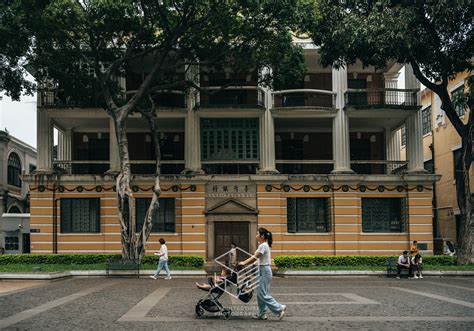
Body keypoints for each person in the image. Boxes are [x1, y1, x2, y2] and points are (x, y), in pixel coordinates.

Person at [239, 227, 286, 320]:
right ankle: (262, 314)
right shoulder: (263, 245)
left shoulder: (263, 245)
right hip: (262, 270)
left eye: (257, 234)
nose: (256, 235)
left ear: (262, 236)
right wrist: (253, 266)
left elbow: (255, 257)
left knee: (262, 294)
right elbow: (258, 260)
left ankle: (279, 308)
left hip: (264, 271)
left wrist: (243, 263)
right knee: (261, 294)